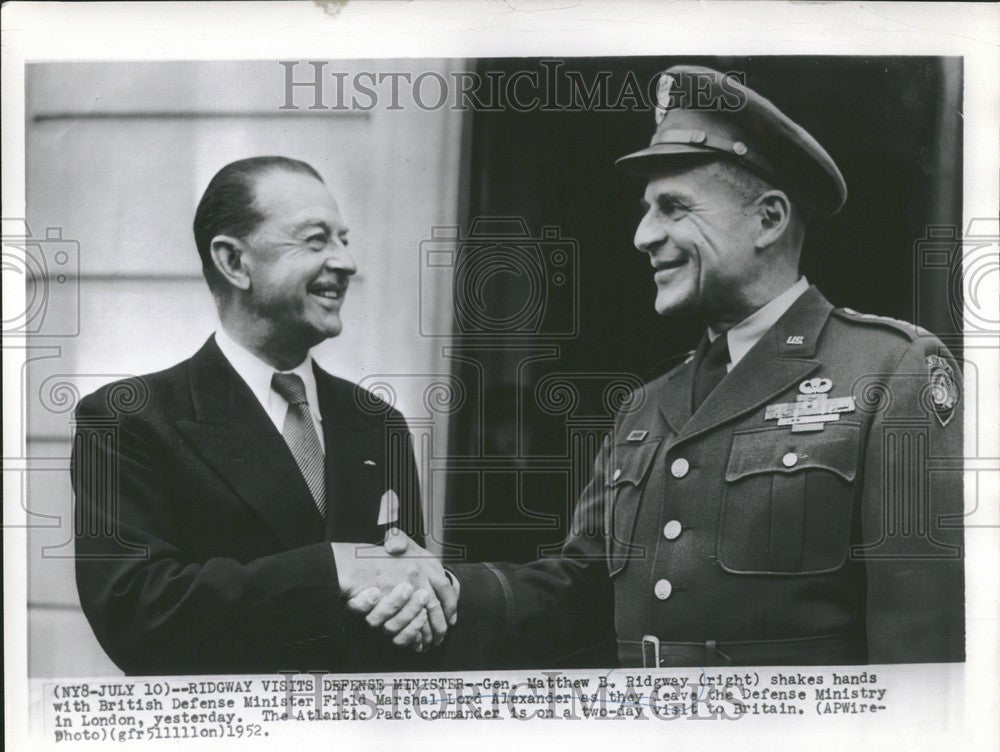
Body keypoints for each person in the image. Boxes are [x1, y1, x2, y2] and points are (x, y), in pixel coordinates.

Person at [364, 65, 965, 668]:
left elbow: (921, 644)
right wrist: (449, 589)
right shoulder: (647, 405)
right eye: (648, 209)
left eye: (674, 208)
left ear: (769, 219)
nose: (642, 235)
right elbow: (581, 589)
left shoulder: (890, 373)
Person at [72, 156, 456, 675]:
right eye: (317, 240)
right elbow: (138, 613)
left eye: (344, 239)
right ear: (234, 261)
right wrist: (334, 568)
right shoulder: (131, 421)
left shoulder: (378, 423)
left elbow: (404, 589)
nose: (346, 263)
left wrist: (431, 598)